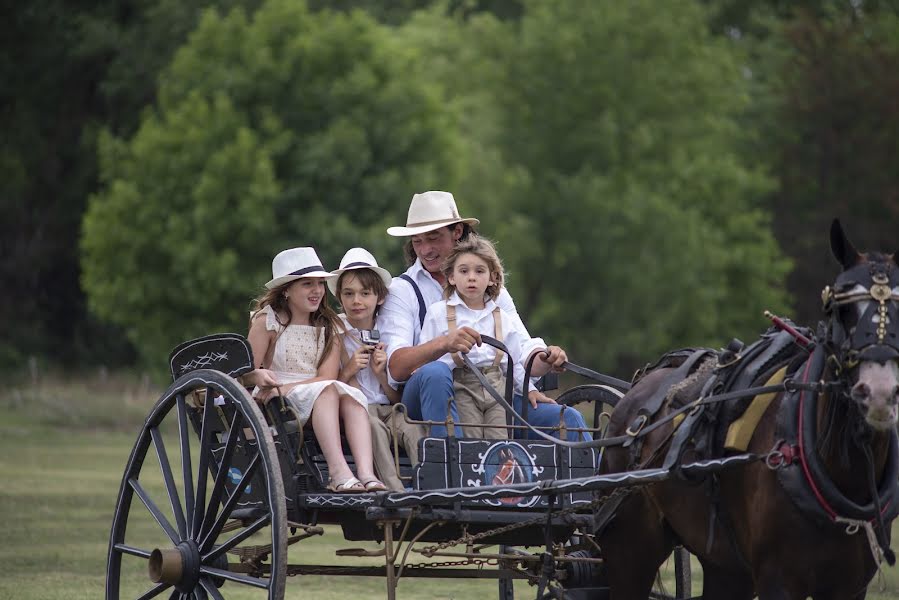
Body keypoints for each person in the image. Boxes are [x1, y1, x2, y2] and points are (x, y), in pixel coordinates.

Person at [380, 190, 590, 441]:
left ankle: (597, 480)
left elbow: (520, 347)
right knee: (436, 373)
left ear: (457, 232)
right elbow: (395, 369)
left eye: (433, 238)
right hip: (425, 397)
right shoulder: (402, 290)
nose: (425, 250)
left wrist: (545, 359)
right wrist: (444, 343)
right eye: (417, 241)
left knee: (568, 421)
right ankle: (455, 462)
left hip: (493, 393)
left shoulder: (493, 292)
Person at [245, 247, 387, 493]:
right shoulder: (268, 321)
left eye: (320, 284)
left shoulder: (328, 325)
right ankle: (338, 473)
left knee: (351, 395)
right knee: (328, 391)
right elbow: (245, 371)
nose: (317, 291)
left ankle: (366, 473)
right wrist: (258, 376)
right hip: (276, 399)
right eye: (308, 284)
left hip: (310, 389)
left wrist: (287, 387)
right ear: (287, 289)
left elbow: (327, 376)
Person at [419, 236, 569, 439]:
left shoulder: (501, 317)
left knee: (499, 442)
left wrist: (529, 390)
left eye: (479, 271)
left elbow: (513, 363)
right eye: (464, 271)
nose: (471, 277)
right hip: (461, 384)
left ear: (492, 278)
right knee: (471, 439)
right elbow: (426, 358)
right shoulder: (438, 313)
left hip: (497, 386)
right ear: (451, 277)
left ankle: (499, 470)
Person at [329, 248, 426, 491]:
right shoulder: (336, 332)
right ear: (340, 297)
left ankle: (429, 487)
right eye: (348, 294)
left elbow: (395, 397)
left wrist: (381, 374)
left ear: (380, 298)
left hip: (389, 407)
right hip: (357, 410)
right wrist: (350, 368)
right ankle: (394, 491)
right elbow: (330, 388)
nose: (357, 301)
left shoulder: (389, 330)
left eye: (365, 293)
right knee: (374, 428)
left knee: (414, 430)